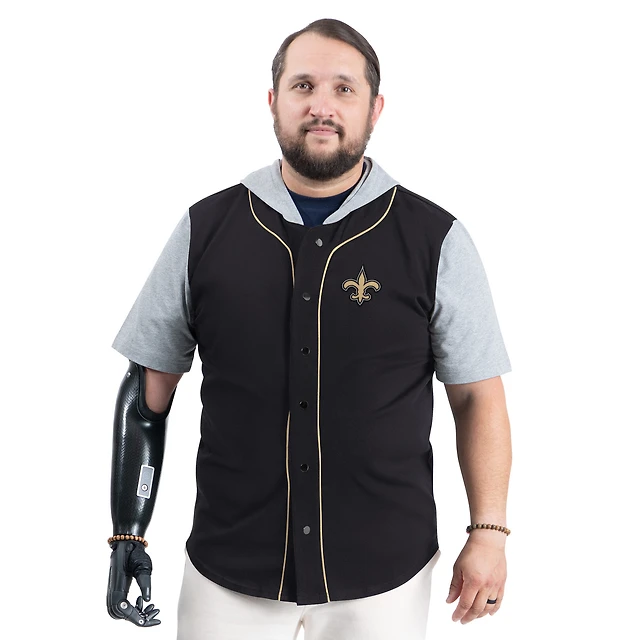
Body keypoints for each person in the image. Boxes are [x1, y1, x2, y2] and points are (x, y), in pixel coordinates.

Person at [106, 17, 513, 640]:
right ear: (273, 101)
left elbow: (477, 396)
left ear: (375, 108)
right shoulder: (204, 230)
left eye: (344, 89)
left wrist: (488, 533)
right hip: (228, 572)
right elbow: (146, 395)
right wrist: (127, 532)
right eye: (303, 86)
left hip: (386, 577)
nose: (322, 106)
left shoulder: (435, 240)